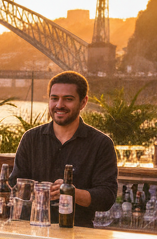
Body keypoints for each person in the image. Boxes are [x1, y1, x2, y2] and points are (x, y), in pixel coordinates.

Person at [10, 70, 117, 228]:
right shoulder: (31, 138)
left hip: (78, 234)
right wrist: (36, 191)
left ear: (83, 102)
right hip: (31, 231)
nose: (59, 105)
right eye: (54, 98)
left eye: (68, 99)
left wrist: (70, 193)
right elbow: (14, 184)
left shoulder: (101, 144)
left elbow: (106, 197)